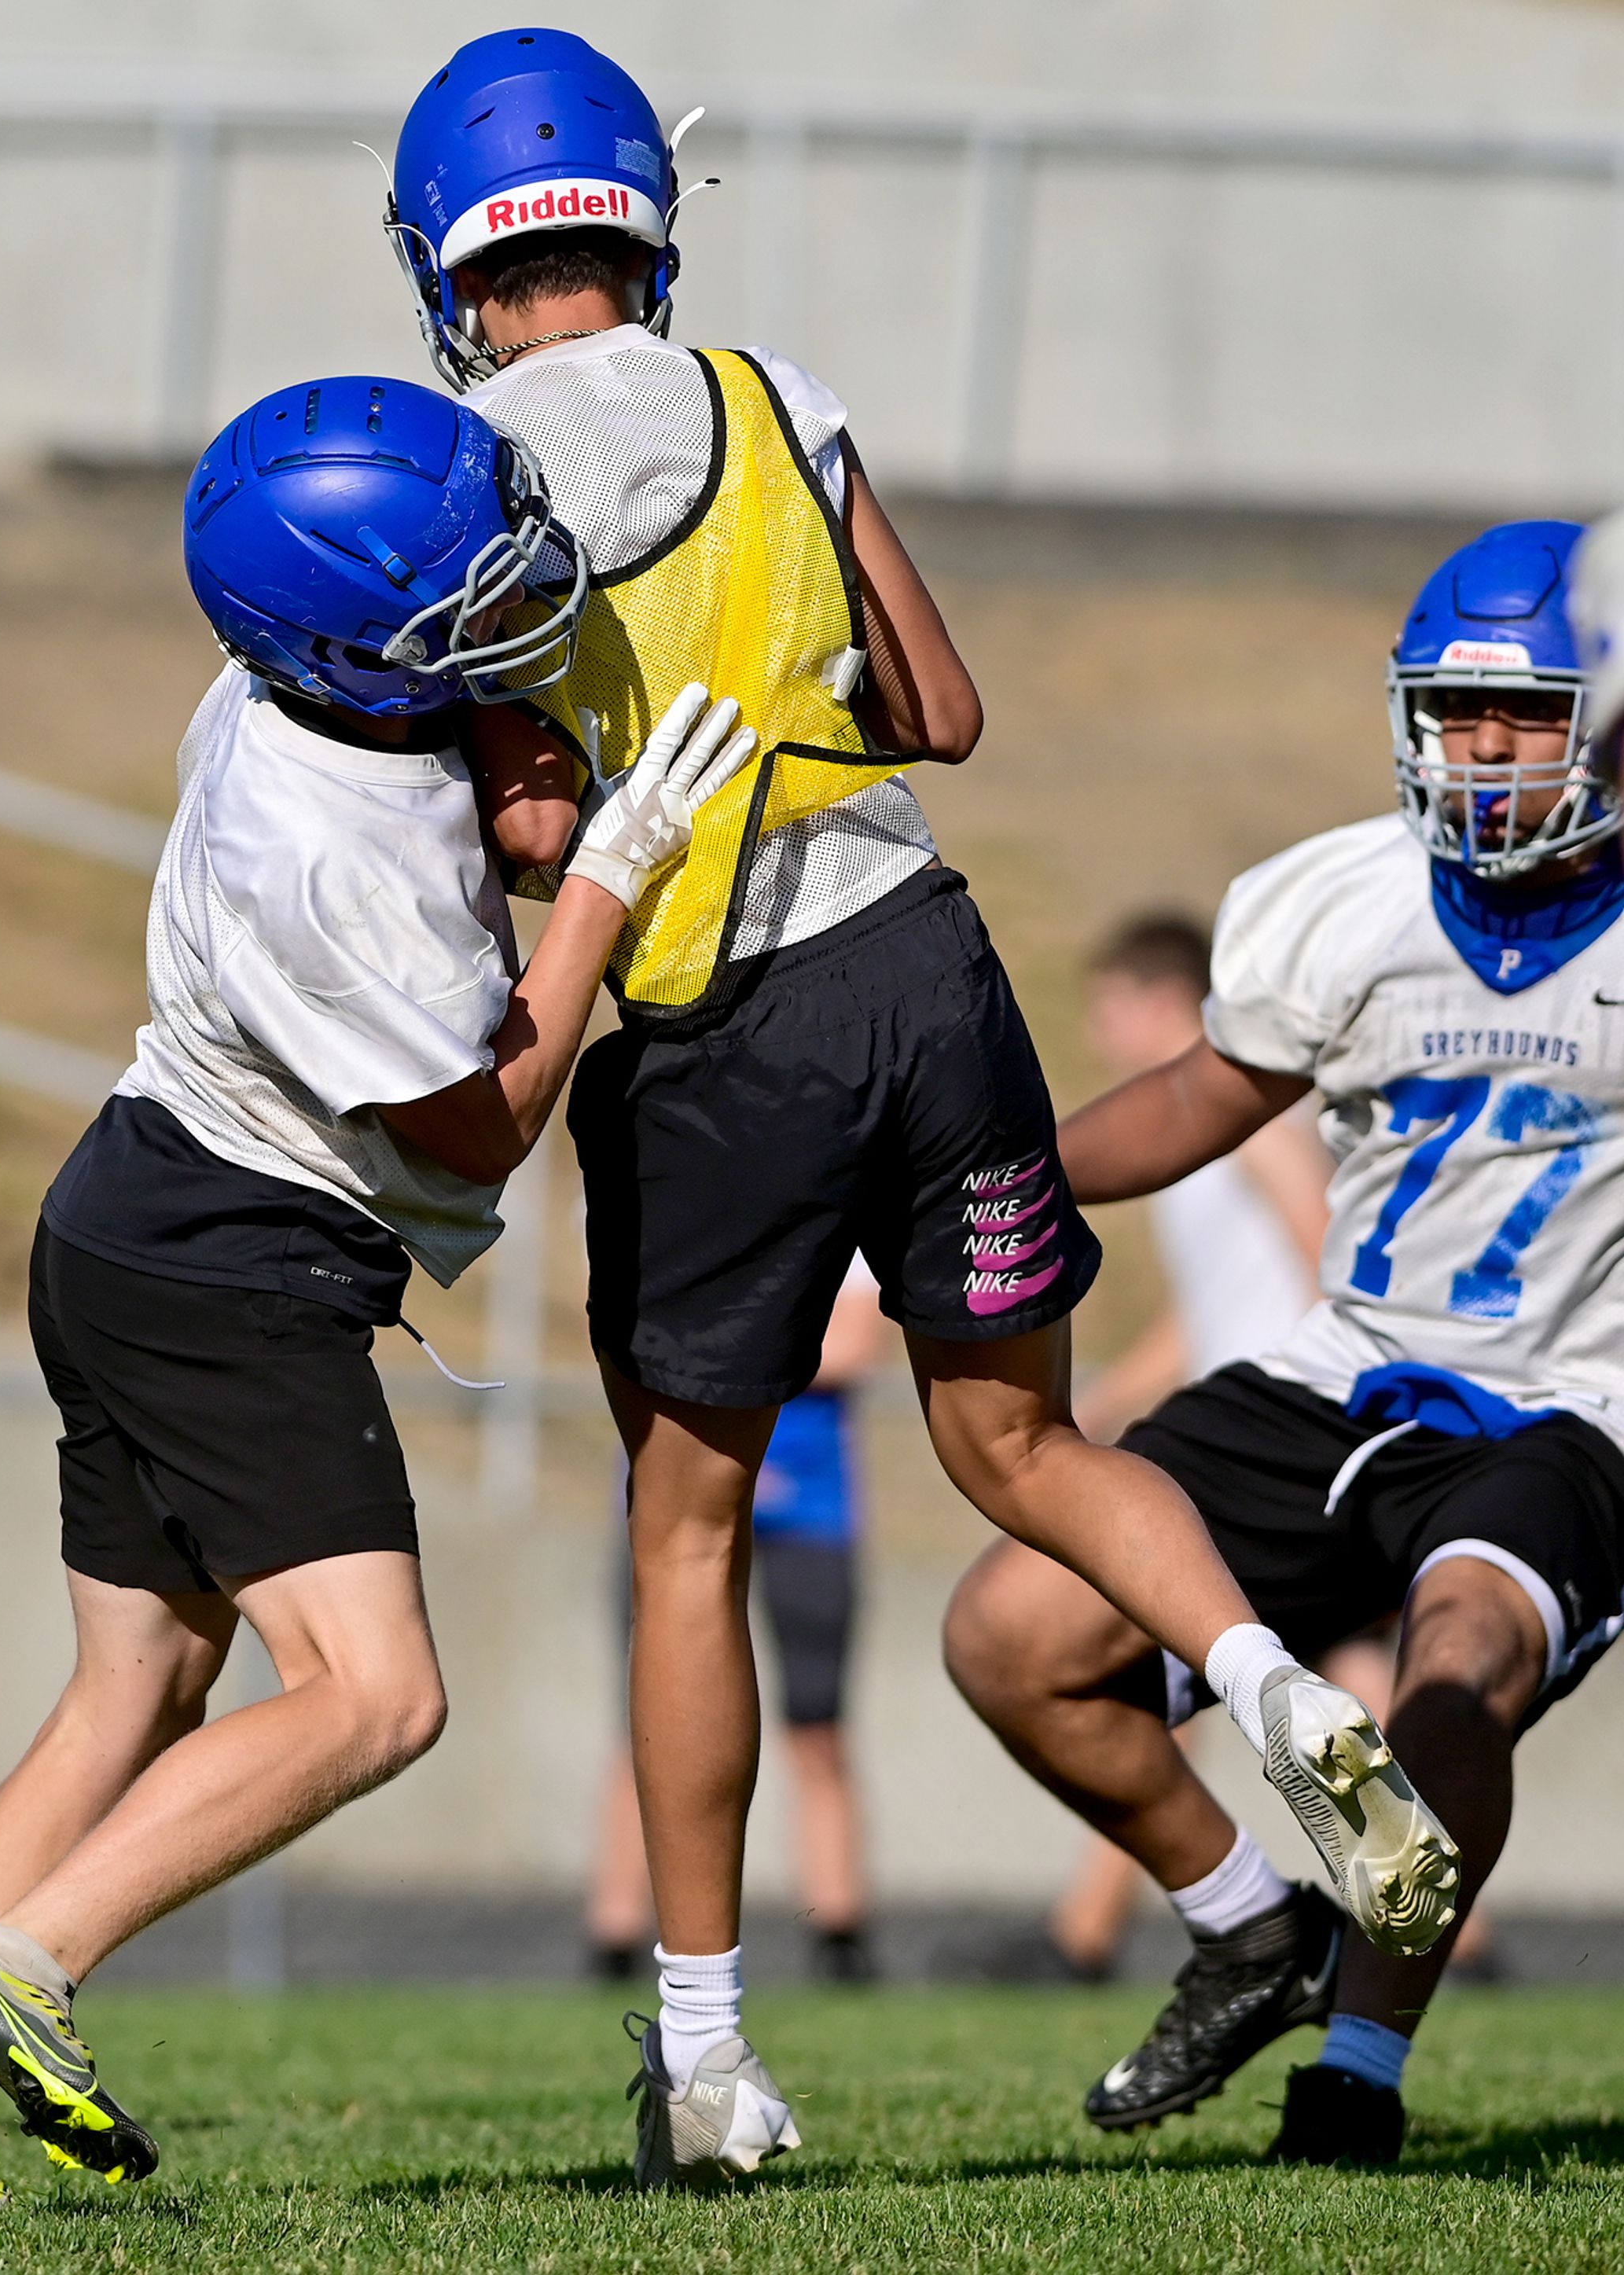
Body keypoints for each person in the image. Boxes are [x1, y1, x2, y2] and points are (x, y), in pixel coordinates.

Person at [380, 28, 1457, 2185]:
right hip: (924, 956)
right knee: (1025, 1443)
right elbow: (943, 708)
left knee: (687, 1534)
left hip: (715, 1021)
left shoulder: (451, 459)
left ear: (452, 261)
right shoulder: (784, 395)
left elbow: (511, 814)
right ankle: (1277, 1712)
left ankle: (705, 2054)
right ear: (641, 226)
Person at [0, 375, 759, 2211]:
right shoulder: (315, 853)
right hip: (226, 1259)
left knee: (131, 1696)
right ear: (354, 645)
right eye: (465, 603)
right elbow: (480, 1131)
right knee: (374, 1692)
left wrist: (523, 767)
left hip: (132, 1211)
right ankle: (27, 1964)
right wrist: (606, 893)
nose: (517, 608)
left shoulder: (298, 679)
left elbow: (462, 735)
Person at [945, 520, 1624, 2164]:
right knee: (1011, 1636)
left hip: (1571, 1400)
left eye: (1524, 713)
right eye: (1453, 714)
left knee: (1456, 1675)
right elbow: (1200, 1100)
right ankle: (1253, 1924)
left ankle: (1362, 2074)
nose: (1479, 751)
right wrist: (991, 1172)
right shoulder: (1344, 898)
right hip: (1345, 1367)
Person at [1044, 916, 1332, 1978]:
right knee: (1339, 1670)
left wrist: (1322, 1401)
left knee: (1155, 1657)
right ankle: (1453, 1924)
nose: (1096, 1027)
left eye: (1109, 1003)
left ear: (1164, 1001)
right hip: (1242, 1422)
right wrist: (1100, 1407)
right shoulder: (1185, 1138)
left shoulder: (1244, 1114)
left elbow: (1321, 1243)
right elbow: (1205, 1313)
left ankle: (1091, 1930)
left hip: (1272, 1434)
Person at [589, 1259, 889, 1985]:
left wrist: (721, 1346)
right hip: (671, 1507)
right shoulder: (677, 1183)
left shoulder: (840, 1190)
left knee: (817, 1728)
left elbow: (854, 1344)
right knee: (647, 1726)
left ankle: (839, 1934)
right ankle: (615, 1935)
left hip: (811, 1512)